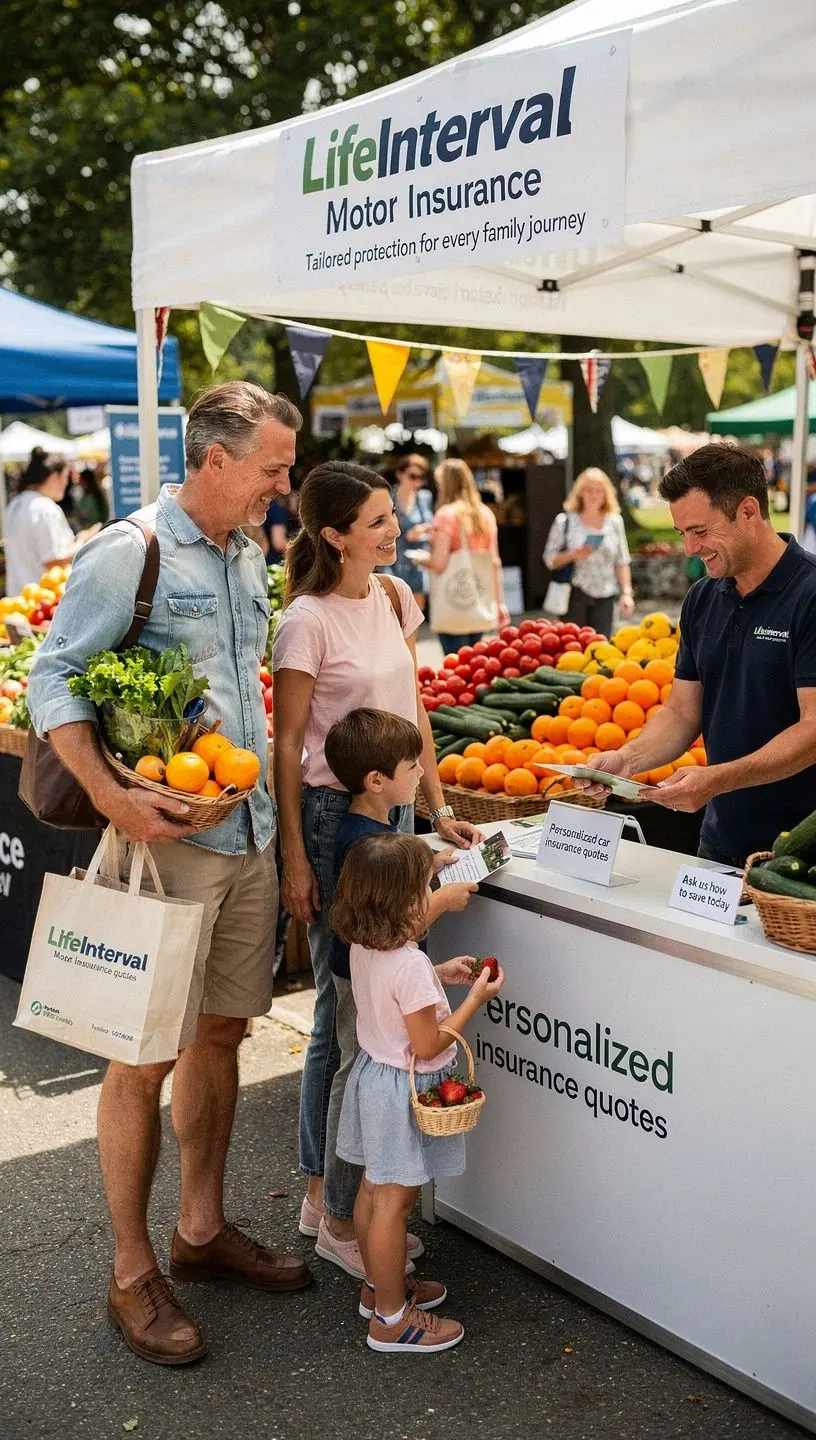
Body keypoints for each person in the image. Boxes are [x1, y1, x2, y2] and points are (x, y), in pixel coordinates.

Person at [27, 381, 311, 1368]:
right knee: (138, 1058)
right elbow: (53, 673)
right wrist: (111, 797)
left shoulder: (246, 553)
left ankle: (199, 1233)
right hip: (162, 850)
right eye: (273, 467)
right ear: (215, 460)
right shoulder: (132, 548)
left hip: (244, 838)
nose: (284, 485)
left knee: (223, 1034)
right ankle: (130, 1269)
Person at [272, 461, 483, 1281]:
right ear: (333, 536)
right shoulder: (306, 621)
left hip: (389, 810)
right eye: (376, 521)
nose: (394, 530)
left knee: (374, 1011)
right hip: (330, 820)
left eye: (393, 516)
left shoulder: (395, 598)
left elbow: (415, 710)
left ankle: (337, 1193)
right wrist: (295, 854)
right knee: (344, 1014)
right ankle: (330, 1202)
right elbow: (287, 747)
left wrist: (432, 806)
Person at [583, 444, 816, 866]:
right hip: (719, 841)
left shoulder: (810, 594)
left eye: (701, 531)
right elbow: (682, 712)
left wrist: (717, 779)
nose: (689, 548)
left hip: (800, 853)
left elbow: (814, 729)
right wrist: (627, 759)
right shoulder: (702, 598)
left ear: (748, 512)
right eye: (682, 533)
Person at [312, 708, 476, 1272]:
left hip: (366, 976)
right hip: (373, 984)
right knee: (368, 1077)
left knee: (364, 1073)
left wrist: (432, 858)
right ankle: (352, 1220)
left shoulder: (372, 834)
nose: (420, 772)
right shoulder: (366, 845)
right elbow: (387, 930)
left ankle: (362, 1216)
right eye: (413, 766)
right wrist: (441, 898)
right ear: (377, 781)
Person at [332, 831, 504, 1352]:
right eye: (421, 890)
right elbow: (428, 1045)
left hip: (373, 1075)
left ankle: (377, 1288)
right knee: (396, 1202)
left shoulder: (366, 945)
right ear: (403, 903)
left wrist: (437, 972)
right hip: (401, 1088)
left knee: (373, 1191)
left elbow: (395, 986)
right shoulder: (407, 964)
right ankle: (391, 1320)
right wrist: (474, 998)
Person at [418, 458, 509, 654]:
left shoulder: (446, 515)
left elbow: (439, 563)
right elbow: (494, 562)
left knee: (456, 667)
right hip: (479, 601)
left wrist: (420, 558)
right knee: (475, 664)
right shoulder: (484, 514)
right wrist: (500, 603)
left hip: (453, 605)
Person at [543, 468, 634, 636]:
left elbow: (622, 560)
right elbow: (549, 559)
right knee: (574, 646)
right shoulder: (564, 521)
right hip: (575, 593)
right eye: (589, 490)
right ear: (579, 493)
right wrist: (572, 555)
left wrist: (626, 593)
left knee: (602, 646)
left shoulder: (614, 521)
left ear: (606, 494)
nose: (594, 495)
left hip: (606, 594)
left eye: (599, 490)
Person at [4, 458, 93, 596]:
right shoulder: (45, 508)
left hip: (19, 600)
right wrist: (84, 540)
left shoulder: (15, 503)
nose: (67, 482)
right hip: (43, 601)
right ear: (53, 477)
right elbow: (54, 562)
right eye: (65, 476)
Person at [383, 453, 434, 612]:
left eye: (421, 477)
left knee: (416, 616)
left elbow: (431, 524)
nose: (417, 481)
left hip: (418, 562)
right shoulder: (388, 500)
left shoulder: (425, 497)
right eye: (412, 476)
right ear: (400, 474)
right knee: (396, 614)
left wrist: (425, 530)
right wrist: (406, 535)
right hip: (394, 563)